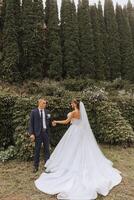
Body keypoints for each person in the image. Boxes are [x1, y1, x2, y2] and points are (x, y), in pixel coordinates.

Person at [35, 99, 122, 199]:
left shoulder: (73, 112)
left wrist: (56, 121)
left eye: (72, 103)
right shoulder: (81, 112)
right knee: (80, 149)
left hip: (74, 131)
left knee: (71, 149)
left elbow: (66, 121)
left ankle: (71, 165)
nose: (71, 104)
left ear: (75, 104)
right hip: (81, 132)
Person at [29, 98, 54, 173]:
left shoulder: (47, 112)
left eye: (45, 103)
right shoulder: (34, 112)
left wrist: (52, 123)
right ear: (39, 103)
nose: (45, 104)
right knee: (37, 150)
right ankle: (35, 167)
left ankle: (47, 166)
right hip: (38, 134)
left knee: (47, 150)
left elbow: (49, 122)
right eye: (44, 103)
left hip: (45, 133)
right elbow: (31, 124)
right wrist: (32, 134)